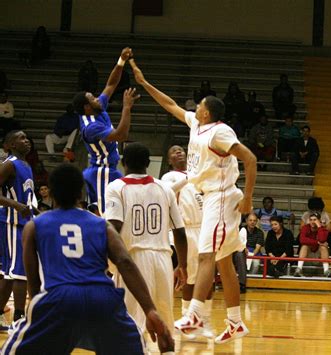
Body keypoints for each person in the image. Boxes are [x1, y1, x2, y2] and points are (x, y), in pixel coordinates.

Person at [132, 60, 256, 344]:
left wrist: (248, 197)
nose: (194, 106)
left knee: (205, 255)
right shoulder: (195, 124)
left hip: (221, 195)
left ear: (208, 111)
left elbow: (250, 158)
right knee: (224, 263)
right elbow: (171, 105)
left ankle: (195, 314)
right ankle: (235, 321)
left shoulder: (220, 131)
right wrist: (143, 82)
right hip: (211, 194)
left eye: (199, 104)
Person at [3, 163, 174, 354]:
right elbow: (125, 262)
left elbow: (33, 281)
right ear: (80, 194)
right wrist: (149, 309)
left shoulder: (34, 226)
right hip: (102, 298)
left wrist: (40, 315)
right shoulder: (103, 225)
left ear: (51, 193)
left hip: (58, 297)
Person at [105, 143, 188, 351]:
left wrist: (105, 262)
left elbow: (113, 228)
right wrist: (183, 266)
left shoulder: (116, 187)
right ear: (149, 164)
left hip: (132, 261)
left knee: (132, 322)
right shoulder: (164, 188)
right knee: (164, 322)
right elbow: (179, 231)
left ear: (123, 163)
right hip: (163, 260)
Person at [72, 47, 137, 216]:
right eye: (92, 98)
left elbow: (111, 84)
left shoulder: (97, 108)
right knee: (107, 213)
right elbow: (121, 136)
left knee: (114, 211)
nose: (97, 97)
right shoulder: (91, 127)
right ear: (87, 107)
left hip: (108, 169)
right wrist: (127, 108)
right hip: (102, 170)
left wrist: (121, 61)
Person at [161, 145, 214, 339]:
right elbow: (168, 191)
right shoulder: (169, 177)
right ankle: (187, 319)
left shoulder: (198, 175)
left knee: (209, 276)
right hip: (186, 229)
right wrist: (191, 176)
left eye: (181, 150)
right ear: (169, 160)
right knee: (189, 277)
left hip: (205, 227)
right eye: (173, 151)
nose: (179, 152)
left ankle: (205, 320)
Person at [0, 131, 35, 331]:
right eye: (21, 138)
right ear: (10, 145)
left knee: (8, 273)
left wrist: (32, 209)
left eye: (27, 138)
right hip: (11, 223)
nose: (27, 141)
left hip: (22, 222)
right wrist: (16, 205)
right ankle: (19, 319)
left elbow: (26, 197)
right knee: (19, 273)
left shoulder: (26, 166)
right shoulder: (9, 164)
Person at [233, 213, 265, 291]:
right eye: (250, 220)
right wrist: (244, 248)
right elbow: (238, 242)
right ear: (246, 221)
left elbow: (258, 247)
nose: (252, 222)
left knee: (256, 263)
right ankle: (242, 282)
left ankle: (250, 281)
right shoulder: (241, 229)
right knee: (240, 256)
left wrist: (251, 255)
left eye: (254, 220)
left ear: (257, 221)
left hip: (254, 252)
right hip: (241, 250)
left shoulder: (260, 232)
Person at [294, 213, 331, 277]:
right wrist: (317, 242)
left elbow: (322, 240)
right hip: (308, 253)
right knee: (304, 246)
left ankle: (326, 271)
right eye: (311, 220)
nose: (312, 221)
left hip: (318, 254)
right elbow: (302, 240)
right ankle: (299, 269)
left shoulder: (323, 229)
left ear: (319, 220)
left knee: (323, 247)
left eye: (315, 220)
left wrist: (319, 227)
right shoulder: (305, 228)